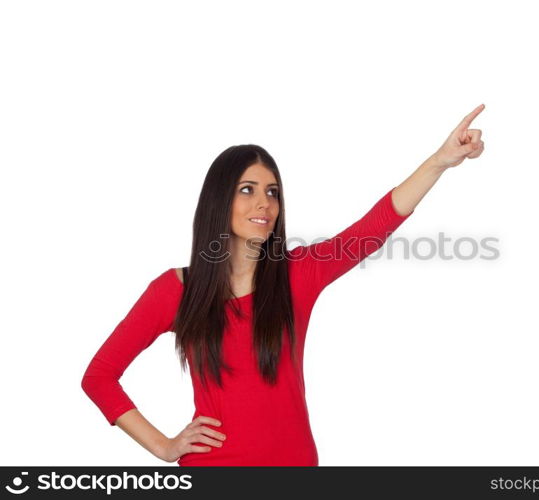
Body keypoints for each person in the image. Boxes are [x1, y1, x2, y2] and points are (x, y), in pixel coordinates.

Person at [81, 104, 486, 466]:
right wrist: (164, 446)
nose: (265, 203)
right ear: (218, 201)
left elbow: (372, 229)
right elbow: (99, 376)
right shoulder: (174, 290)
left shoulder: (298, 274)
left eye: (272, 192)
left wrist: (440, 161)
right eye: (247, 190)